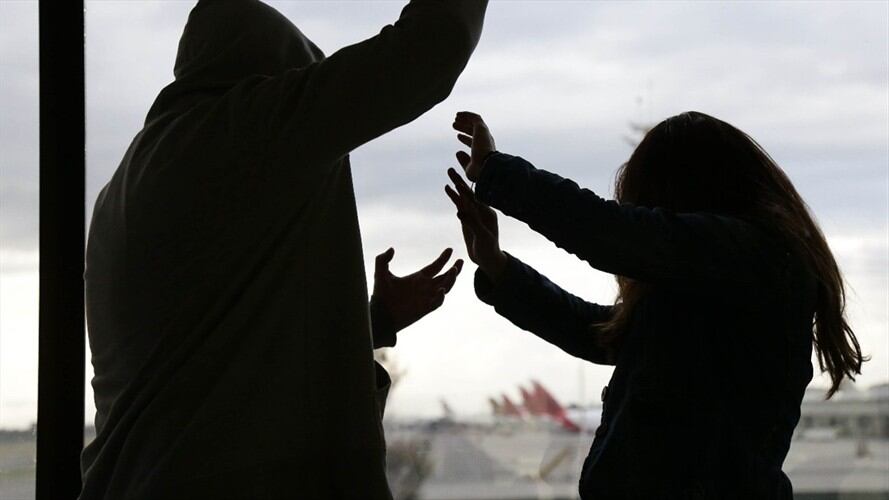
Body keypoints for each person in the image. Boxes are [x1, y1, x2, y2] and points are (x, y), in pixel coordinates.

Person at [81, 1, 487, 498]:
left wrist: (372, 320)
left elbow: (206, 350)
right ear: (268, 76)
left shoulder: (124, 189)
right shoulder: (247, 132)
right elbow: (431, 48)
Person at [445, 111, 866, 498]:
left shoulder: (753, 257)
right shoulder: (731, 275)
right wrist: (498, 266)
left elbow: (608, 234)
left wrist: (499, 173)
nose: (645, 218)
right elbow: (604, 332)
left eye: (648, 205)